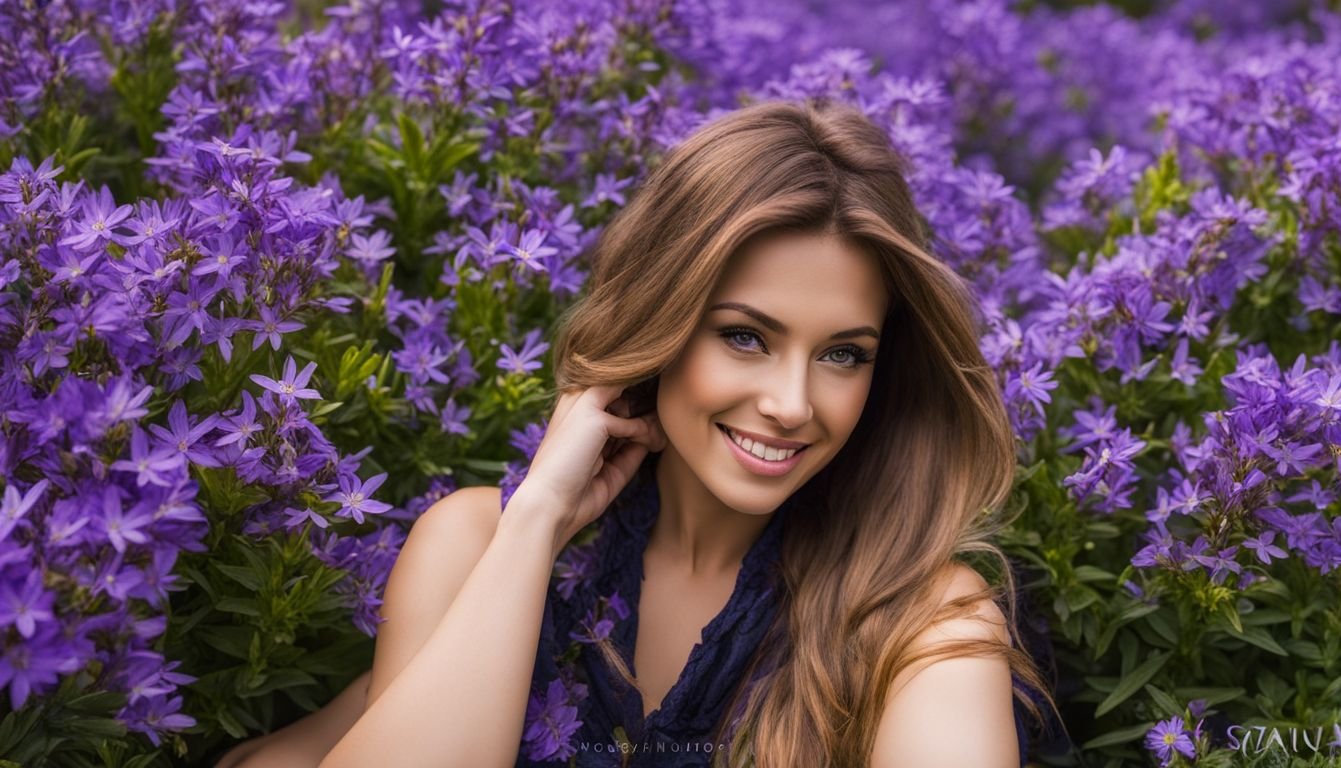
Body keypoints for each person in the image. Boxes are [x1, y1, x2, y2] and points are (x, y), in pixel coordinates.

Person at [215, 98, 1055, 768]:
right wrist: (537, 517)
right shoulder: (477, 544)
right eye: (745, 337)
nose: (794, 403)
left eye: (842, 353)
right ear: (660, 324)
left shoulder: (921, 619)